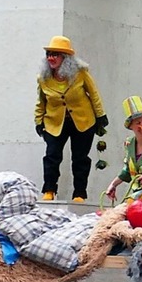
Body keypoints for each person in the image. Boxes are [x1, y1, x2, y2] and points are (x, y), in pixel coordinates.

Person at [34, 35, 109, 203]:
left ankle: (79, 193)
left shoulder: (80, 73)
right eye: (49, 54)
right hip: (55, 122)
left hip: (82, 121)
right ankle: (49, 190)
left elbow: (94, 94)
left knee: (80, 158)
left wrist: (100, 116)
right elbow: (41, 101)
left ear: (65, 58)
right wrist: (38, 121)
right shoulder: (43, 78)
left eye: (55, 54)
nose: (51, 58)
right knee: (52, 155)